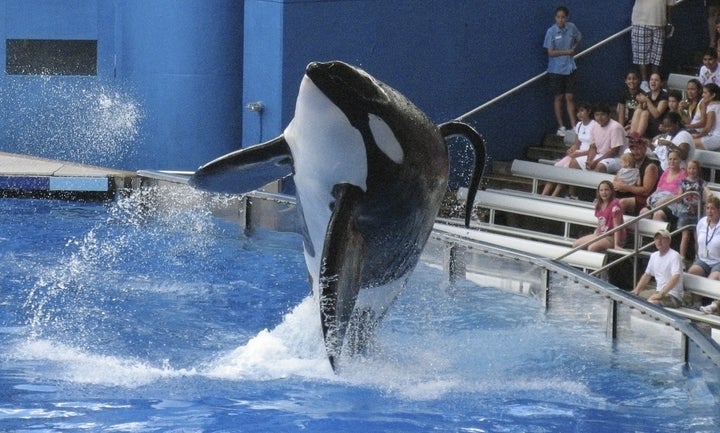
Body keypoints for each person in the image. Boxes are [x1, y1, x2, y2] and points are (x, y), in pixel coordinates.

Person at [541, 102, 595, 197]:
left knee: (566, 168)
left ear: (589, 111)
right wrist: (572, 149)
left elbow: (594, 148)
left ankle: (554, 196)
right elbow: (577, 143)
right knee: (557, 166)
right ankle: (543, 195)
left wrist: (579, 154)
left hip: (588, 154)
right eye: (578, 111)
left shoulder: (594, 125)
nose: (579, 114)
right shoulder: (579, 125)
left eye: (582, 111)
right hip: (577, 153)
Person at [544, 6, 582, 137]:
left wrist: (574, 48)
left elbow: (579, 38)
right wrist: (567, 52)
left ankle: (574, 125)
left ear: (567, 18)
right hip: (555, 70)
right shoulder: (551, 32)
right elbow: (550, 52)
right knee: (559, 97)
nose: (560, 20)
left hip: (570, 67)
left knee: (569, 97)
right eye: (558, 17)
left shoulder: (572, 27)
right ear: (555, 18)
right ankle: (561, 126)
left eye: (563, 17)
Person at [664, 159, 712, 262]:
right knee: (685, 236)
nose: (691, 170)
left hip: (697, 213)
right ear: (686, 169)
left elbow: (707, 191)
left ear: (698, 170)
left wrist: (709, 196)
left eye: (694, 168)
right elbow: (680, 195)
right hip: (685, 212)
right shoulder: (683, 182)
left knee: (697, 236)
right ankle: (682, 258)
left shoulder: (701, 182)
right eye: (689, 168)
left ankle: (698, 258)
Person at [631, 229, 684, 308]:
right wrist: (637, 290)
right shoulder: (654, 256)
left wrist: (661, 294)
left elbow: (675, 277)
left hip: (673, 295)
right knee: (632, 298)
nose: (659, 241)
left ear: (669, 241)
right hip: (657, 291)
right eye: (657, 239)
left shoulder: (674, 255)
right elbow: (647, 275)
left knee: (651, 304)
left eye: (662, 238)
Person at [631, 0, 675, 92]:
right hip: (641, 22)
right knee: (641, 54)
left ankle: (655, 82)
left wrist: (669, 22)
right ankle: (644, 82)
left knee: (657, 56)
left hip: (660, 22)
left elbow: (670, 4)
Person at [613, 133, 660, 216]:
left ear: (645, 149)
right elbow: (617, 178)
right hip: (630, 193)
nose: (635, 152)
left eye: (639, 148)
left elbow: (646, 191)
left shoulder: (650, 166)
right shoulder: (630, 161)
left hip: (644, 199)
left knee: (622, 203)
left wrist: (625, 187)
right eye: (633, 149)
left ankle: (619, 228)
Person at [573, 180, 625, 252]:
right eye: (601, 190)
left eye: (606, 190)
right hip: (602, 235)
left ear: (611, 191)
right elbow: (600, 222)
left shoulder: (615, 204)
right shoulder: (599, 204)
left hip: (612, 236)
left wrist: (616, 245)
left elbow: (617, 226)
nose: (604, 192)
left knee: (592, 248)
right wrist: (596, 235)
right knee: (576, 244)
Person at [639, 148, 686, 216]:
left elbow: (680, 196)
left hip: (672, 203)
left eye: (675, 159)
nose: (672, 161)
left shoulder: (683, 174)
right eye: (670, 159)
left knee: (658, 214)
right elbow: (658, 190)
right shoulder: (666, 172)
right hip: (659, 200)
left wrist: (666, 200)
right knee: (643, 211)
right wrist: (650, 197)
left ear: (680, 160)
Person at [585, 103, 627, 173]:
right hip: (601, 155)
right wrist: (589, 160)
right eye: (597, 115)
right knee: (574, 163)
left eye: (602, 114)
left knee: (600, 166)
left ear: (609, 115)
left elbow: (614, 151)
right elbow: (593, 147)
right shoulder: (594, 126)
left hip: (618, 158)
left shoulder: (615, 127)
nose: (600, 118)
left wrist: (596, 162)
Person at [687, 196, 720, 280]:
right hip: (703, 260)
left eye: (712, 208)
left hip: (718, 262)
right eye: (707, 208)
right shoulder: (701, 222)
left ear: (718, 210)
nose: (709, 211)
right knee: (691, 274)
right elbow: (697, 242)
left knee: (712, 280)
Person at [628, 72, 668, 138]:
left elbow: (656, 114)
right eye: (651, 79)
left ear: (661, 83)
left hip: (658, 125)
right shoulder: (647, 94)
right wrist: (640, 102)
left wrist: (647, 100)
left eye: (656, 80)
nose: (653, 82)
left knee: (645, 113)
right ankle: (632, 138)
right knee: (638, 111)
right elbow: (639, 109)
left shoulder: (664, 96)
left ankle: (636, 139)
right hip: (646, 124)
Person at [693, 83, 720, 150]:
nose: (702, 95)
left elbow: (708, 128)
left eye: (705, 93)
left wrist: (697, 135)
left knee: (690, 143)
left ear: (713, 95)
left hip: (717, 137)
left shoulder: (712, 107)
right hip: (715, 136)